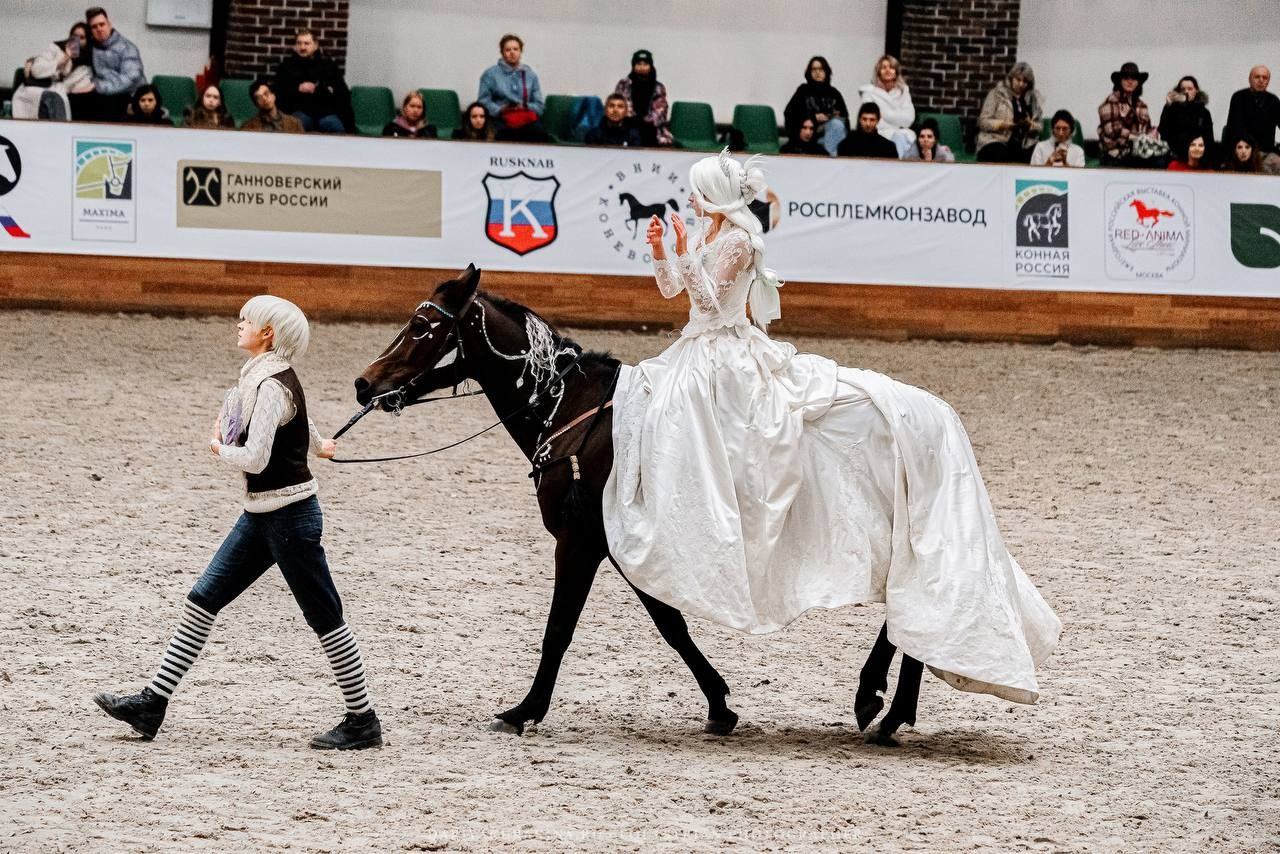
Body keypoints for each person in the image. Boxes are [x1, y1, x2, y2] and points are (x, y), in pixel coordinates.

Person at [602, 150, 1060, 708]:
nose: (691, 200)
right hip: (695, 349)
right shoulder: (709, 232)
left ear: (715, 195)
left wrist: (682, 251)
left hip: (725, 357)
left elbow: (709, 299)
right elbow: (676, 291)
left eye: (698, 192)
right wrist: (661, 253)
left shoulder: (738, 240)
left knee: (716, 430)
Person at [94, 296, 384, 750]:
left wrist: (215, 447)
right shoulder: (265, 377)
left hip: (290, 519)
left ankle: (363, 720)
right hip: (261, 515)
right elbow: (294, 420)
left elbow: (255, 455)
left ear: (268, 333)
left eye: (247, 320)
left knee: (325, 617)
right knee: (202, 599)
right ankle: (153, 703)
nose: (240, 324)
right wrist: (318, 444)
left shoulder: (270, 383)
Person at [273, 29, 352, 134]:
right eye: (299, 43)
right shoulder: (286, 67)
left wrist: (320, 89)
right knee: (298, 123)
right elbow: (278, 93)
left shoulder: (328, 65)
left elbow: (342, 92)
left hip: (325, 113)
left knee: (335, 126)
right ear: (295, 46)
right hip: (299, 111)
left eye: (306, 43)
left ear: (315, 45)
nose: (302, 47)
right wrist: (298, 88)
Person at [11, 22, 94, 120]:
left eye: (82, 37)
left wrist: (92, 85)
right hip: (35, 90)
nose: (77, 40)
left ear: (87, 41)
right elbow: (36, 71)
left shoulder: (86, 65)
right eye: (74, 36)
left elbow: (74, 88)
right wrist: (62, 60)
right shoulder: (55, 48)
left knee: (55, 99)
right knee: (51, 98)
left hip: (57, 96)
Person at [477, 33, 547, 141]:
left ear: (520, 51)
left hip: (525, 118)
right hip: (500, 119)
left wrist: (524, 106)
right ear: (502, 52)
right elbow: (483, 101)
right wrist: (501, 109)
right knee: (501, 133)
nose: (512, 53)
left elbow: (539, 106)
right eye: (508, 50)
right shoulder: (490, 74)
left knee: (539, 132)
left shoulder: (530, 75)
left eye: (515, 49)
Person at [86, 6, 145, 121]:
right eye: (94, 27)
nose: (99, 29)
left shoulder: (127, 47)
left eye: (102, 24)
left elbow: (131, 78)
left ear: (109, 24)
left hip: (130, 97)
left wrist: (97, 86)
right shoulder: (91, 48)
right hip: (105, 97)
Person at [976, 62, 1043, 163]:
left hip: (1022, 144)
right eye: (1018, 80)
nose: (1021, 84)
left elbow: (1040, 126)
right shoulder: (996, 94)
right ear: (1011, 78)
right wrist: (1002, 125)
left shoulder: (1032, 99)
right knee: (1000, 152)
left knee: (1039, 151)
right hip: (996, 141)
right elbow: (983, 122)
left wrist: (1031, 125)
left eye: (1025, 81)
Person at [783, 56, 849, 156]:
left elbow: (845, 119)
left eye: (821, 69)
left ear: (826, 71)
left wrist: (831, 117)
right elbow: (789, 114)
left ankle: (828, 162)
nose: (817, 72)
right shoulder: (803, 91)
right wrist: (813, 118)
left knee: (837, 124)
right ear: (809, 72)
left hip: (829, 137)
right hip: (807, 136)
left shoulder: (834, 93)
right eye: (814, 69)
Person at [1098, 61, 1155, 167]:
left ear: (1138, 82)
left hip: (1139, 154)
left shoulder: (1142, 106)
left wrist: (1152, 134)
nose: (1130, 82)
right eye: (1126, 78)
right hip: (1115, 156)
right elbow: (1112, 131)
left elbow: (1147, 129)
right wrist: (1138, 137)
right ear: (1120, 81)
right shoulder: (1110, 102)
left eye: (1133, 78)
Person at [858, 55, 915, 157]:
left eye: (891, 67)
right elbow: (871, 121)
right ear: (878, 72)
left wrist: (884, 114)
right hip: (878, 135)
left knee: (902, 137)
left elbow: (908, 120)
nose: (888, 70)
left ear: (896, 72)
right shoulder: (869, 92)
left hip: (900, 134)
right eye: (884, 68)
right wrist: (898, 117)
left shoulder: (904, 92)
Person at [613, 49, 672, 146]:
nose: (642, 67)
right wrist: (633, 121)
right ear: (633, 66)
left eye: (645, 64)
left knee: (649, 135)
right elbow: (619, 105)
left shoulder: (658, 87)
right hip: (627, 126)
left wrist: (643, 123)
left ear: (650, 66)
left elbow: (659, 112)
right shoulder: (623, 84)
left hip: (652, 129)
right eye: (639, 64)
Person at [1224, 66, 1280, 168]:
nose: (1261, 80)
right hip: (1244, 152)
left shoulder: (1274, 101)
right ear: (1250, 79)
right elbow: (1235, 127)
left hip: (1266, 153)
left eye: (1265, 77)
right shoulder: (1238, 97)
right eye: (1257, 77)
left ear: (1268, 81)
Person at [1158, 76, 1214, 165]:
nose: (1186, 92)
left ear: (1196, 90)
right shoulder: (1172, 109)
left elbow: (1209, 139)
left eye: (1190, 89)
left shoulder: (1204, 112)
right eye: (1183, 89)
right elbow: (1163, 131)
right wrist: (1168, 106)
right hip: (1174, 156)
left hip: (1197, 157)